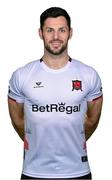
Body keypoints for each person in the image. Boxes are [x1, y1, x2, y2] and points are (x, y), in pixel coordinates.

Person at [8, 7, 103, 180]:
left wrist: (73, 140)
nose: (56, 37)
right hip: (34, 172)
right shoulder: (22, 76)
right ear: (40, 33)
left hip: (77, 171)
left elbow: (92, 120)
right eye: (49, 30)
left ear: (70, 33)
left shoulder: (89, 75)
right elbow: (18, 121)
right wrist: (37, 141)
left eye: (62, 30)